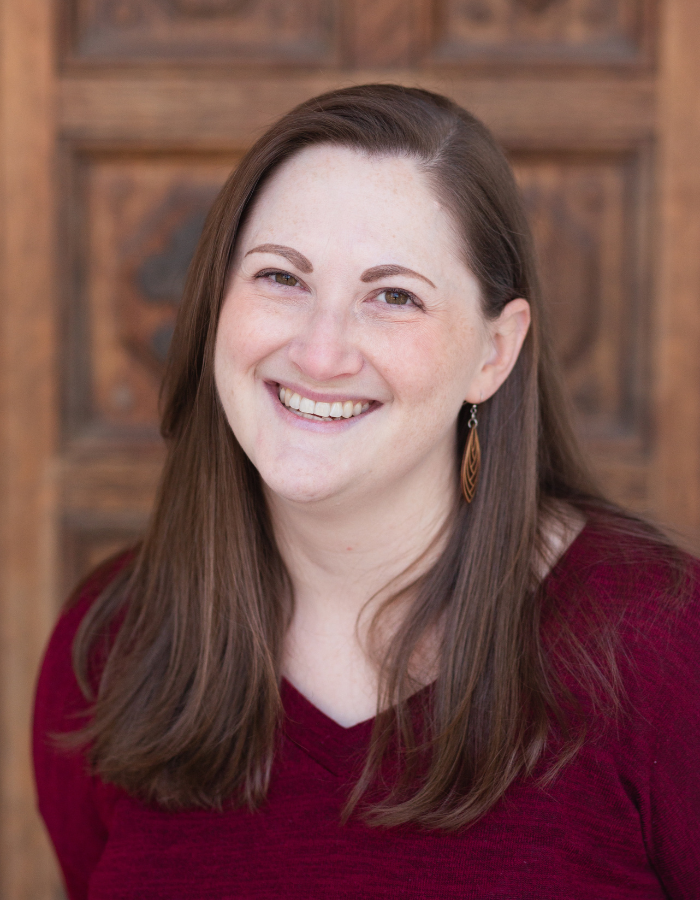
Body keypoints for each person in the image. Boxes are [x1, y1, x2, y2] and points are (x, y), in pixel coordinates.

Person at [33, 84, 700, 899]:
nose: (320, 353)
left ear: (495, 351)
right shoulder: (113, 646)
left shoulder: (663, 649)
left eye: (394, 296)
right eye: (282, 277)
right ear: (216, 306)